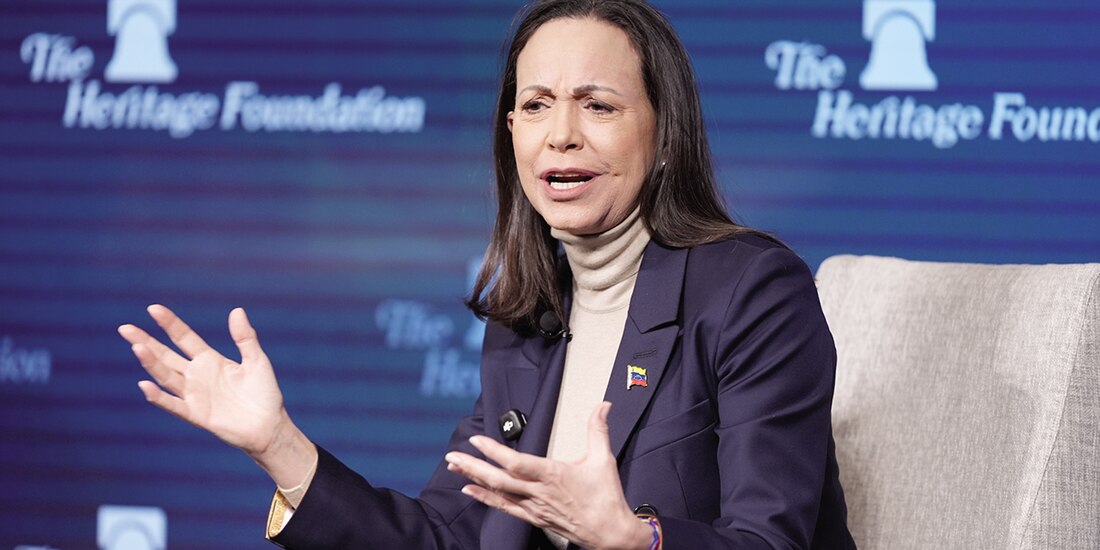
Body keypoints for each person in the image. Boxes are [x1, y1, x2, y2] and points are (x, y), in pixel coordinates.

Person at [117, 1, 856, 548]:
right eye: (535, 105)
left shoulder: (751, 291)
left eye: (597, 105)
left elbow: (770, 541)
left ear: (664, 134)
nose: (562, 132)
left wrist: (639, 539)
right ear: (512, 136)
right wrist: (278, 445)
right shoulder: (527, 321)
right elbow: (449, 535)